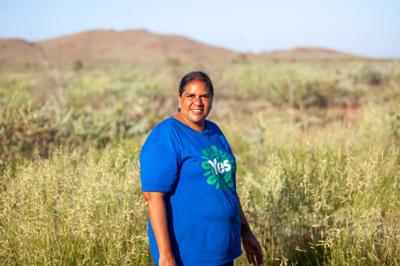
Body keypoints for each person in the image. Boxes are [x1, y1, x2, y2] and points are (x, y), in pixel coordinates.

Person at [140, 71, 263, 266]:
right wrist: (166, 255)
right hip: (187, 254)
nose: (198, 102)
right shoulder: (167, 135)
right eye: (191, 96)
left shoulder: (215, 132)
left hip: (223, 250)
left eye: (204, 96)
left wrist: (246, 233)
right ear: (180, 99)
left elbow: (227, 189)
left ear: (212, 101)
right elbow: (153, 197)